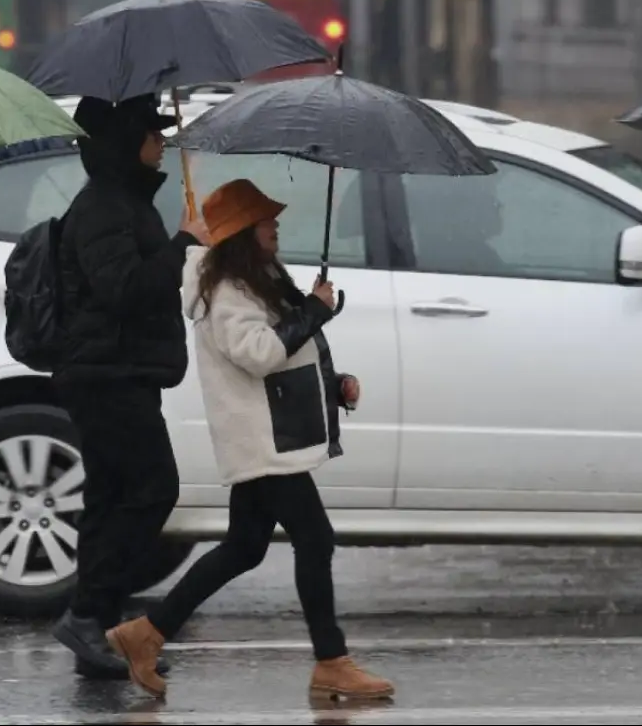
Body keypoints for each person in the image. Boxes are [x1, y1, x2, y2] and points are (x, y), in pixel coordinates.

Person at [103, 179, 394, 701]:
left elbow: (285, 355)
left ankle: (145, 633)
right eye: (265, 219)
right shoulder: (225, 292)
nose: (275, 224)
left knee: (244, 547)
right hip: (263, 439)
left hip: (269, 432)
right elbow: (259, 354)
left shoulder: (253, 280)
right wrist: (315, 311)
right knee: (315, 538)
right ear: (242, 232)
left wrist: (333, 385)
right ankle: (331, 661)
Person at [50, 95, 210, 679]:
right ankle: (88, 614)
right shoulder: (103, 209)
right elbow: (123, 289)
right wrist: (183, 244)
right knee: (153, 488)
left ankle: (100, 626)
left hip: (120, 372)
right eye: (153, 133)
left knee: (109, 499)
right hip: (104, 375)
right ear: (125, 141)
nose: (162, 142)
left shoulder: (124, 202)